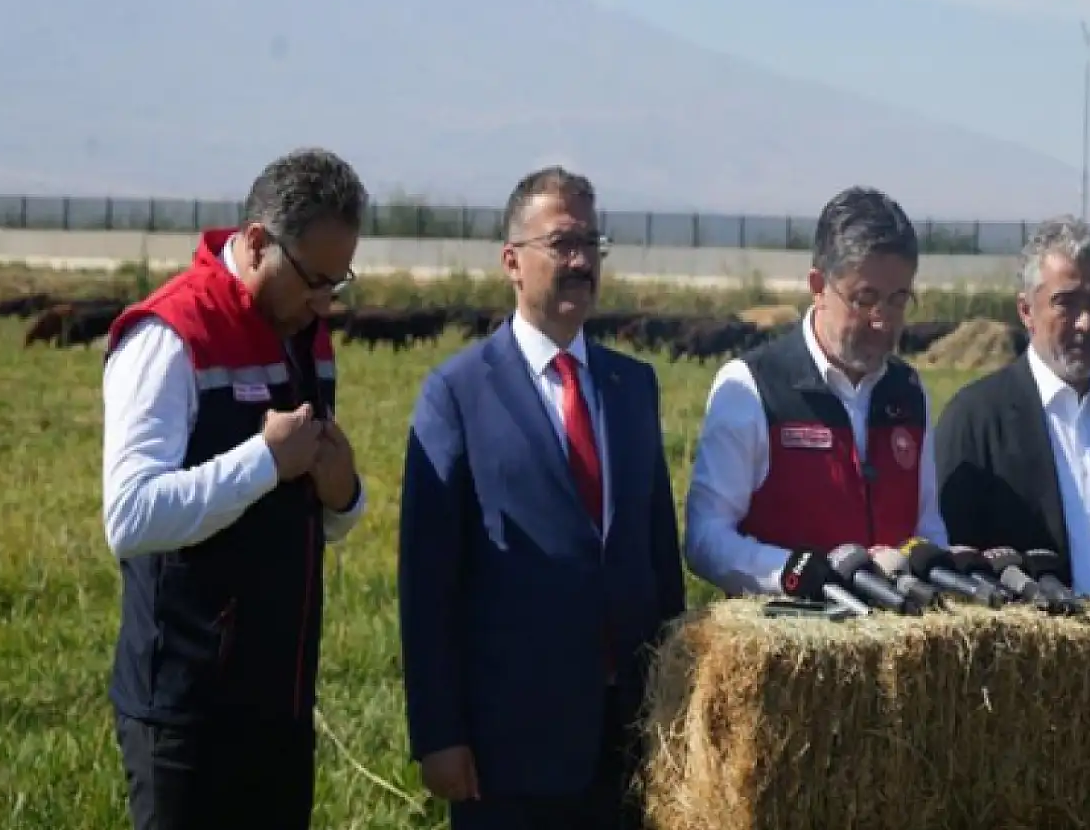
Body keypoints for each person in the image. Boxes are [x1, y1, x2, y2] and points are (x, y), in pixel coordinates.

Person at [398, 166, 685, 830]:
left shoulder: (631, 386)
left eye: (591, 242)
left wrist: (676, 702)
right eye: (561, 243)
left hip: (628, 736)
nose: (581, 260)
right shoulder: (457, 393)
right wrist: (438, 733)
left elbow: (656, 556)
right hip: (510, 746)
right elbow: (428, 579)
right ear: (512, 262)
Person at [100, 147, 370, 830]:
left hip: (281, 705)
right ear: (255, 244)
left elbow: (310, 510)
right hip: (188, 715)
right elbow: (129, 518)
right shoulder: (170, 335)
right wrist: (262, 461)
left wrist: (346, 497)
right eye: (313, 279)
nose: (321, 304)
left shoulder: (303, 332)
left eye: (336, 285)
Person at [683, 186, 948, 596]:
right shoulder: (752, 386)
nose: (883, 322)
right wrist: (799, 575)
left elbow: (928, 526)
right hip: (787, 640)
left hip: (894, 643)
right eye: (865, 299)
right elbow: (706, 537)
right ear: (818, 285)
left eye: (898, 300)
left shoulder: (910, 393)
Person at [935, 216, 1090, 606]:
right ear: (1026, 310)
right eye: (1066, 303)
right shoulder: (976, 421)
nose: (1086, 322)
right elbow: (956, 575)